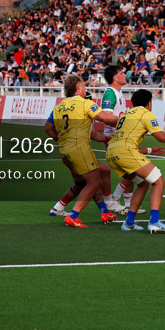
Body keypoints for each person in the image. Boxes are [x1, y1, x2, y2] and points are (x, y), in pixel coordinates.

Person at [47, 74, 120, 228]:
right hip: (79, 148)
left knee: (87, 181)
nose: (85, 88)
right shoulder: (85, 103)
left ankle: (104, 212)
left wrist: (60, 139)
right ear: (78, 87)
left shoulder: (59, 106)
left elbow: (48, 128)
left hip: (64, 150)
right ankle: (73, 216)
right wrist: (125, 119)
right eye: (84, 86)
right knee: (94, 181)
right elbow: (104, 118)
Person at [105, 89, 165, 233]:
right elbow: (162, 137)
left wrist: (149, 150)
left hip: (111, 152)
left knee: (143, 184)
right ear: (149, 103)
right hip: (125, 152)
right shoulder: (145, 113)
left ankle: (128, 222)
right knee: (159, 182)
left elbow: (125, 142)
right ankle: (154, 222)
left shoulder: (126, 114)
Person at [99, 64, 134, 214]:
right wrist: (125, 122)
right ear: (115, 78)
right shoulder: (110, 94)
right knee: (132, 170)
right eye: (121, 73)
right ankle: (115, 197)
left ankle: (129, 204)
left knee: (131, 170)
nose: (124, 75)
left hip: (121, 138)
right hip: (114, 139)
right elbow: (107, 117)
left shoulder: (118, 92)